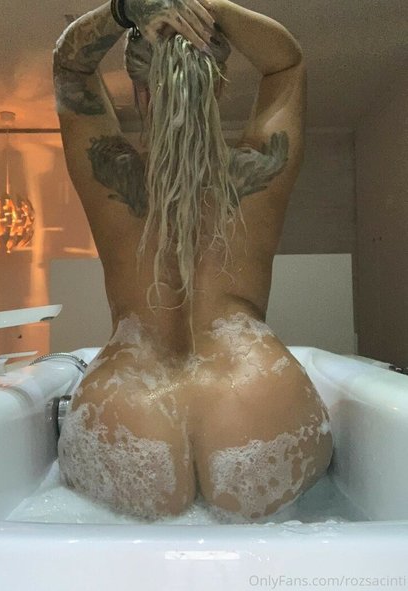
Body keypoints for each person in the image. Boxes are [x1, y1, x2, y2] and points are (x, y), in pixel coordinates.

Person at [53, 0, 333, 522]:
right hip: (257, 396)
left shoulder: (110, 174)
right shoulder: (257, 168)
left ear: (139, 90)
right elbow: (287, 64)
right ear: (218, 83)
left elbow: (69, 65)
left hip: (128, 402)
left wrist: (125, 9)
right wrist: (212, 8)